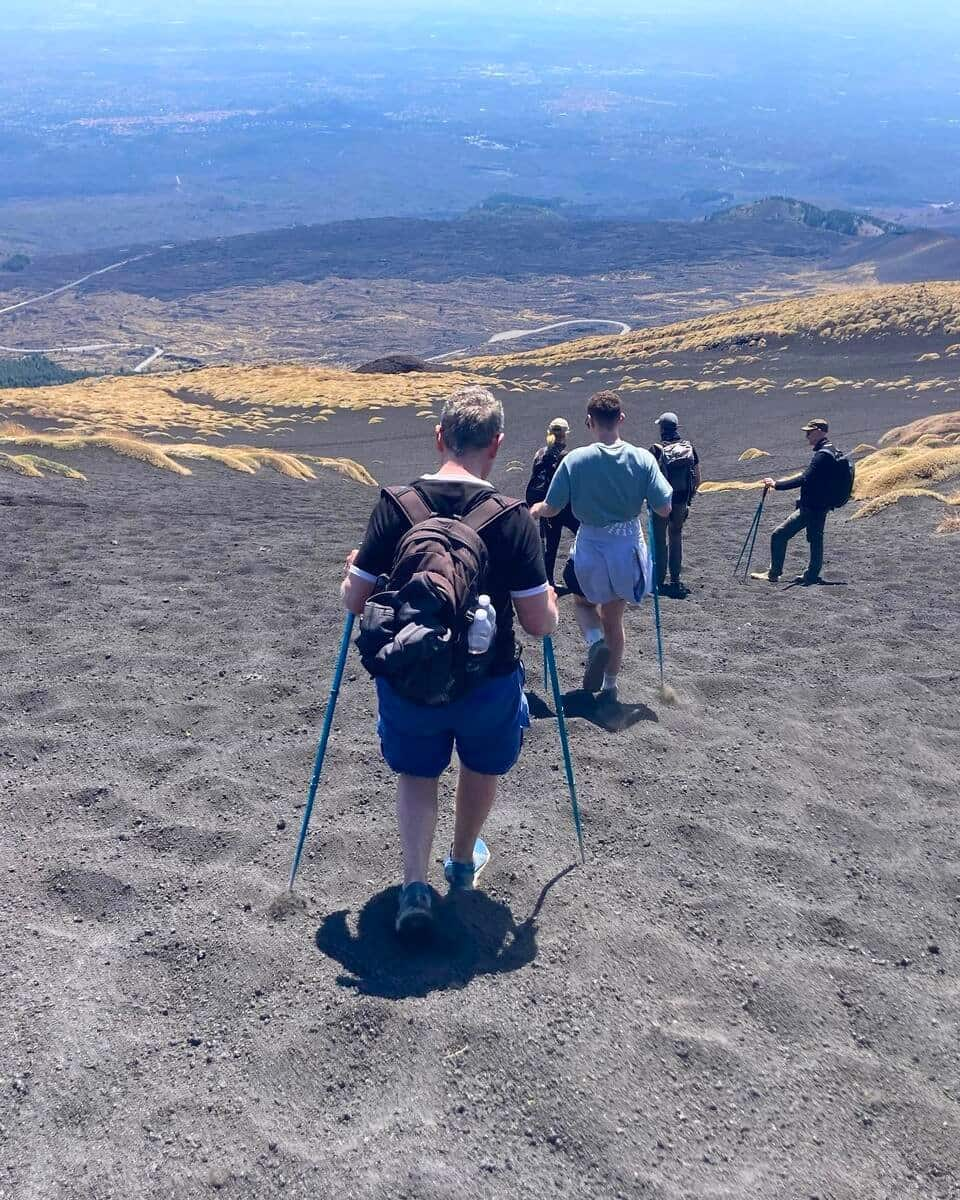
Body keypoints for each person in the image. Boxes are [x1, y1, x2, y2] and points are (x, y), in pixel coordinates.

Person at [341, 385, 559, 939]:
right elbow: (539, 622)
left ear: (440, 437)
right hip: (488, 678)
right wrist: (551, 600)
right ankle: (461, 863)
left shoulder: (397, 505)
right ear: (497, 444)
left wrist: (354, 570)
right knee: (480, 765)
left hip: (410, 673)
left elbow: (354, 600)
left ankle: (414, 884)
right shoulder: (512, 519)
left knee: (417, 772)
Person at [530, 390, 673, 706]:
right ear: (620, 419)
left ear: (589, 422)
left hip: (591, 548)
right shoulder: (643, 459)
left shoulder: (575, 460)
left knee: (582, 603)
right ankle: (610, 686)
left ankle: (594, 641)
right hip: (628, 549)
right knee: (614, 618)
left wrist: (538, 509)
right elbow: (664, 509)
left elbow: (553, 507)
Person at [750, 417, 842, 585]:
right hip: (821, 505)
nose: (807, 435)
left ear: (820, 431)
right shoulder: (832, 450)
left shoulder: (822, 455)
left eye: (810, 432)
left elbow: (804, 479)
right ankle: (812, 575)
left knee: (779, 535)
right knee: (816, 539)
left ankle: (774, 573)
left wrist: (776, 485)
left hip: (812, 506)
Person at [649, 411, 701, 598]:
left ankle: (659, 580)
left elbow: (650, 478)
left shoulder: (656, 450)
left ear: (662, 429)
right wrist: (688, 500)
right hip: (681, 500)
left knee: (659, 540)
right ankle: (676, 579)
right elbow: (697, 479)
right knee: (676, 536)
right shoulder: (689, 448)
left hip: (661, 501)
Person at [525, 417, 580, 586]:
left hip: (544, 504)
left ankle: (548, 580)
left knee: (551, 545)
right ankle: (578, 573)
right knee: (583, 533)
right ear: (565, 434)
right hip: (563, 505)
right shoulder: (566, 456)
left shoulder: (540, 453)